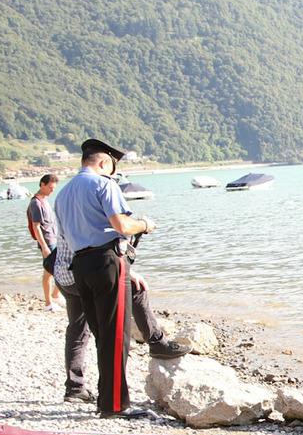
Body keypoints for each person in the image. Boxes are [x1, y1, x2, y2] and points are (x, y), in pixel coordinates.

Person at [53, 138, 176, 418]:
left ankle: (107, 399)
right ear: (103, 162)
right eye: (112, 167)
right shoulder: (103, 184)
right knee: (116, 336)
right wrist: (145, 224)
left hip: (79, 266)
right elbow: (121, 224)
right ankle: (114, 405)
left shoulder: (63, 194)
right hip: (107, 262)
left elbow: (65, 238)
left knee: (100, 334)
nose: (113, 173)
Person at [52, 238, 187, 404]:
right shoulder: (99, 214)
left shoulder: (67, 210)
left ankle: (74, 388)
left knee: (78, 329)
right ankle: (156, 342)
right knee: (137, 289)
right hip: (85, 271)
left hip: (63, 274)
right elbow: (105, 245)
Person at [26, 174, 61, 309]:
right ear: (42, 184)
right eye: (50, 188)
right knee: (50, 271)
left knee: (56, 269)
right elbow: (36, 226)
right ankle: (49, 302)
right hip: (47, 242)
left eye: (54, 188)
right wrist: (44, 246)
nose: (52, 191)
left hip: (53, 239)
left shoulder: (44, 200)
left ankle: (54, 296)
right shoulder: (36, 202)